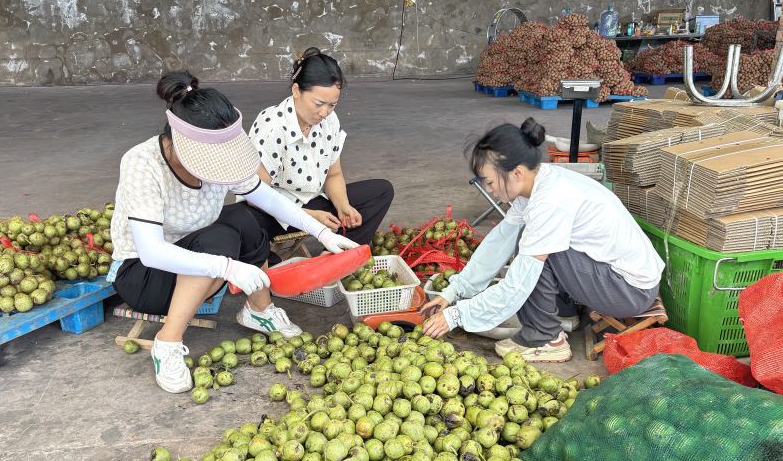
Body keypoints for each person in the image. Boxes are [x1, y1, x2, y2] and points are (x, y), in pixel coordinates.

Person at [108, 71, 356, 393]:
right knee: (218, 240)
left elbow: (263, 195)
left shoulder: (218, 155)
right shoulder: (142, 164)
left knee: (245, 218)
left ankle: (259, 310)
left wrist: (320, 232)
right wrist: (227, 267)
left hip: (197, 258)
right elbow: (152, 251)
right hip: (145, 276)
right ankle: (167, 344)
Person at [420, 118, 664, 362]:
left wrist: (456, 316)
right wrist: (453, 292)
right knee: (526, 240)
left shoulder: (549, 201)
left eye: (490, 182)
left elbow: (519, 283)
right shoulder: (539, 184)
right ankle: (563, 315)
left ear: (517, 172)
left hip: (628, 290)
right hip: (617, 278)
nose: (489, 190)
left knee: (534, 250)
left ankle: (545, 338)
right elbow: (498, 243)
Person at [241, 47, 394, 261]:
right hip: (272, 210)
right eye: (318, 103)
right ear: (296, 90)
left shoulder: (329, 121)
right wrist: (311, 218)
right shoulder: (273, 126)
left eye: (332, 105)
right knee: (244, 226)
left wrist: (343, 206)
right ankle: (330, 256)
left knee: (382, 191)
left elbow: (333, 175)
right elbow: (256, 198)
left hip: (311, 199)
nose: (324, 112)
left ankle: (334, 257)